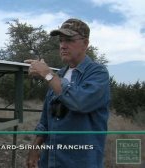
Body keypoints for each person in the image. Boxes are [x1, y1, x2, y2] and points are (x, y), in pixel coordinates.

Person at [25, 18, 110, 168]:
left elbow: (80, 102)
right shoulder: (60, 75)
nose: (63, 46)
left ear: (85, 44)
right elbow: (46, 118)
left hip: (81, 162)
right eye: (61, 40)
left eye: (69, 40)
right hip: (51, 161)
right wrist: (35, 147)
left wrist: (47, 74)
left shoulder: (98, 73)